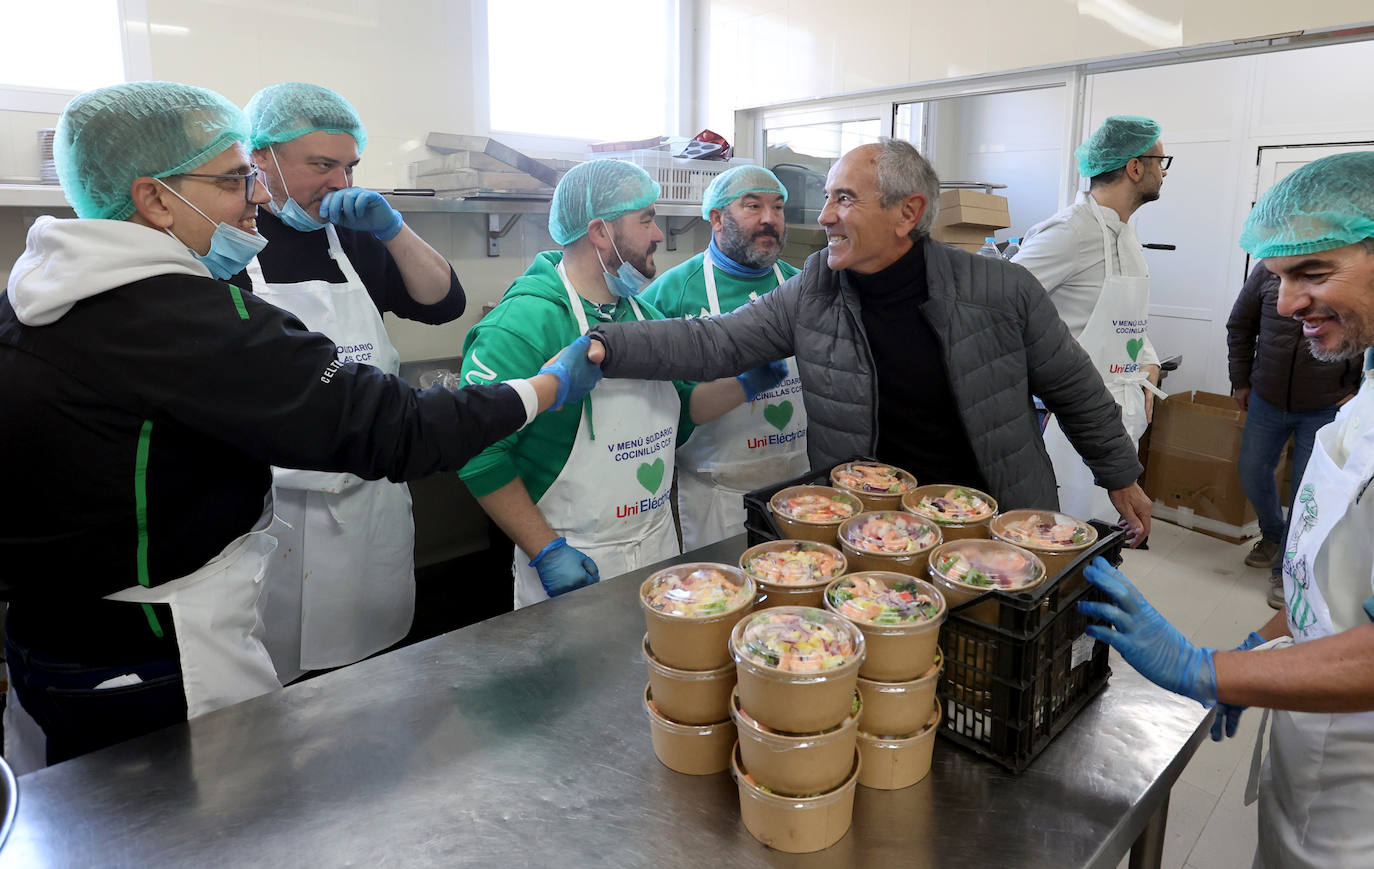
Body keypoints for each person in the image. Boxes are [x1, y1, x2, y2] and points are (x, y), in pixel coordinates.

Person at [0, 81, 601, 773]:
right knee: (213, 825)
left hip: (55, 639)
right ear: (154, 197)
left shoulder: (37, 294)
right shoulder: (181, 315)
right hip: (159, 652)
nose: (253, 197)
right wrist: (546, 386)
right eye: (234, 179)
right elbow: (395, 428)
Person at [585, 139, 1153, 538]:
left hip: (990, 520)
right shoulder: (817, 290)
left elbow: (1073, 387)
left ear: (908, 213)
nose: (825, 216)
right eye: (829, 197)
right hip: (871, 528)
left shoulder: (1000, 290)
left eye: (845, 199)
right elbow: (713, 344)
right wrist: (606, 345)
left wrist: (1121, 477)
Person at [1078, 151, 1374, 867]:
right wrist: (1262, 650)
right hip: (1316, 749)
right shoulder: (1363, 390)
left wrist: (1207, 668)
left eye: (1313, 273)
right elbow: (1333, 584)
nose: (1287, 304)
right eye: (1278, 279)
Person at [458, 160, 782, 608]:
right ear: (598, 232)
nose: (657, 235)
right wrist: (545, 549)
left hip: (657, 547)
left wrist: (747, 384)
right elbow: (477, 452)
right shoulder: (524, 323)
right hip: (575, 558)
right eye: (646, 220)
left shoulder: (642, 314)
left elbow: (684, 409)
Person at [244, 82, 467, 683]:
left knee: (378, 684)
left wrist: (393, 229)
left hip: (370, 500)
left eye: (350, 166)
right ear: (260, 157)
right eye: (322, 165)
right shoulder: (230, 250)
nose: (341, 183)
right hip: (277, 514)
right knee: (279, 692)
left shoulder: (354, 241)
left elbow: (444, 303)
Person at [640, 165, 807, 550]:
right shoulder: (670, 293)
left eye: (778, 207)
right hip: (715, 493)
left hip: (799, 482)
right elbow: (654, 400)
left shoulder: (802, 287)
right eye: (753, 206)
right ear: (716, 218)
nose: (770, 220)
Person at [1013, 115, 1166, 523]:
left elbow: (1128, 315)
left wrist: (1146, 361)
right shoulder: (1069, 232)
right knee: (1059, 531)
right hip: (1071, 422)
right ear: (1135, 167)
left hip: (1121, 408)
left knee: (1102, 536)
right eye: (1160, 162)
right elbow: (1000, 302)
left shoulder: (1127, 234)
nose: (1163, 173)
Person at [1227, 262, 1359, 608]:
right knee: (1252, 470)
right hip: (1266, 399)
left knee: (1306, 493)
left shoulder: (1347, 268)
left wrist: (1358, 391)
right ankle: (1272, 533)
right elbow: (1240, 325)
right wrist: (1240, 380)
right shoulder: (1268, 268)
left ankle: (1286, 568)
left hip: (1325, 405)